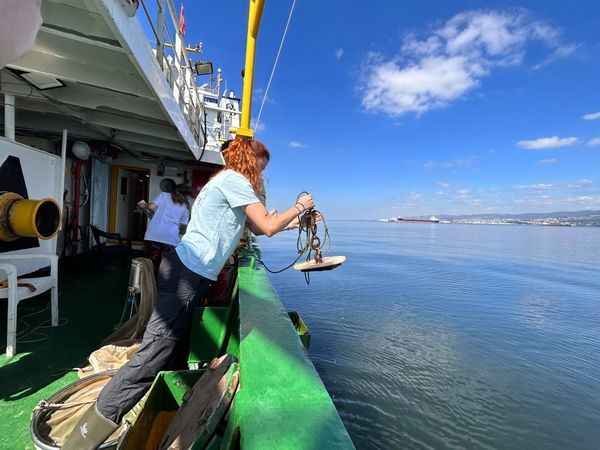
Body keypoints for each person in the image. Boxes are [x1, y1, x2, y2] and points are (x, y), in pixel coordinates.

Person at [63, 138, 314, 449]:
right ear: (251, 161)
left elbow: (262, 228)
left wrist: (295, 220)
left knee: (172, 351)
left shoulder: (224, 181)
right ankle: (83, 439)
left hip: (187, 274)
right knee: (151, 357)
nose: (262, 175)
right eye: (261, 167)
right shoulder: (235, 180)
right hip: (186, 276)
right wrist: (301, 206)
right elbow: (268, 224)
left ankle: (159, 417)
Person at [138, 178, 189, 273]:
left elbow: (150, 207)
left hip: (154, 235)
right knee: (166, 270)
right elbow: (182, 230)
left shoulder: (164, 196)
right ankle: (160, 286)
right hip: (171, 239)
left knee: (150, 266)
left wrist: (144, 206)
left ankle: (147, 285)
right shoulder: (185, 207)